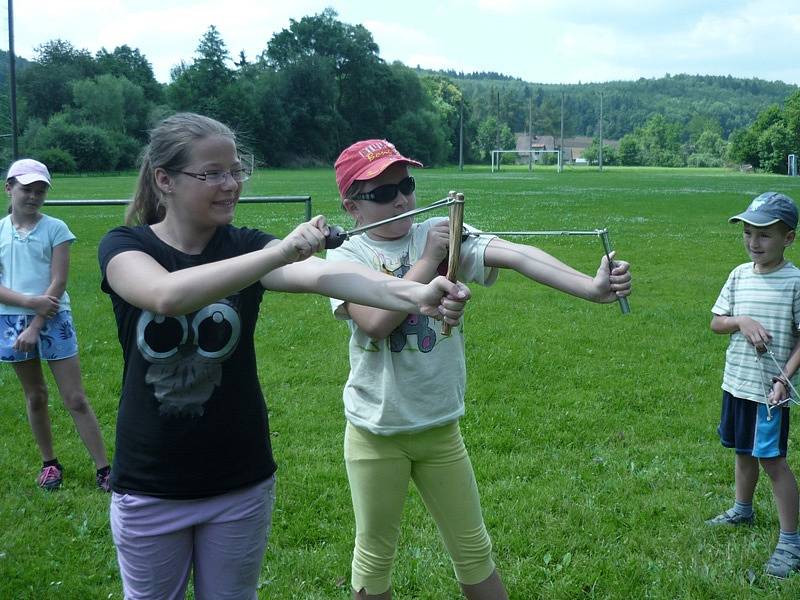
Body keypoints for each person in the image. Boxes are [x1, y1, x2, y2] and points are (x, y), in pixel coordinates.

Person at [98, 113, 469, 600]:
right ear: (164, 180)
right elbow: (165, 296)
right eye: (213, 173)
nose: (231, 184)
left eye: (236, 170)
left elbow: (325, 278)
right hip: (150, 484)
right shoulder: (125, 246)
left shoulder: (246, 246)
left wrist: (412, 294)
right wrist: (280, 252)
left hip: (240, 480)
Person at [326, 139, 632, 599]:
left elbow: (516, 254)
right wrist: (430, 260)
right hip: (375, 431)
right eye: (384, 194)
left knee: (474, 551)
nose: (402, 199)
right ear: (352, 206)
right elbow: (373, 322)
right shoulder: (349, 255)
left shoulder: (440, 226)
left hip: (439, 427)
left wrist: (589, 288)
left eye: (406, 185)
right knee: (374, 558)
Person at [0, 159, 111, 492]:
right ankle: (50, 464)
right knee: (35, 396)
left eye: (40, 191)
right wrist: (29, 303)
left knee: (75, 397)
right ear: (9, 188)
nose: (33, 197)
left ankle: (105, 468)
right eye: (26, 190)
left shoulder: (56, 229)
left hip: (52, 318)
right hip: (11, 321)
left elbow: (58, 282)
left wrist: (35, 323)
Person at [707, 191, 800, 579]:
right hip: (737, 384)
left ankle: (791, 541)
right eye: (748, 233)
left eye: (764, 235)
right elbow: (717, 322)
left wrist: (783, 380)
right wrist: (741, 321)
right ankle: (742, 510)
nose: (753, 243)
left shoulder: (795, 281)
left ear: (788, 238)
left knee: (772, 461)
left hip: (769, 394)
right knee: (742, 452)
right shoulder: (738, 275)